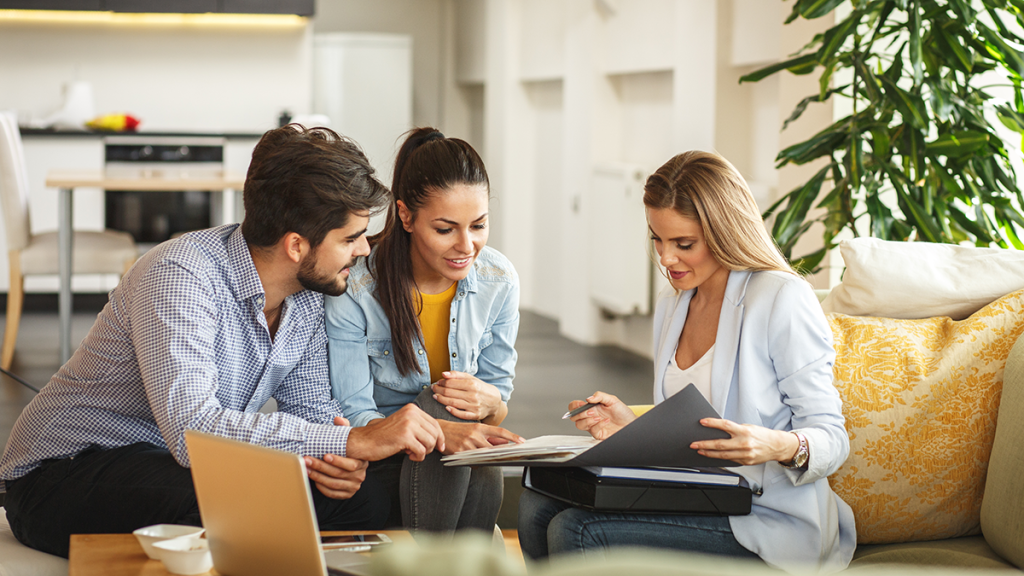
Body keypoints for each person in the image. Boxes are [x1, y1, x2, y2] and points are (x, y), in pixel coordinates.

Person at [0, 125, 446, 558]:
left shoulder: (309, 295)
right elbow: (191, 430)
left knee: (364, 499)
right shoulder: (180, 274)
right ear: (296, 245)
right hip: (62, 473)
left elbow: (312, 415)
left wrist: (336, 460)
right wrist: (351, 444)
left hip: (173, 465)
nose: (365, 249)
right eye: (351, 238)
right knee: (236, 500)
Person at [518, 151, 855, 572]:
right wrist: (631, 424)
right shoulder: (673, 304)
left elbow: (832, 439)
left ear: (725, 232)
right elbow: (692, 425)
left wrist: (776, 445)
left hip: (766, 518)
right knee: (535, 505)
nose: (665, 258)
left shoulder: (781, 298)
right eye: (657, 238)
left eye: (684, 244)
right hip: (699, 496)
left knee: (577, 529)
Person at [325, 128, 522, 536]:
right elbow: (356, 415)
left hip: (460, 464)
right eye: (446, 229)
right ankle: (465, 558)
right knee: (437, 405)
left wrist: (490, 402)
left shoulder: (498, 279)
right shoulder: (357, 287)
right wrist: (441, 431)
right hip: (385, 460)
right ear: (406, 216)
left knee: (466, 428)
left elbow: (496, 407)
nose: (466, 245)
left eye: (479, 226)